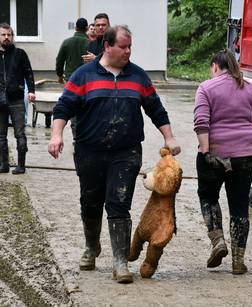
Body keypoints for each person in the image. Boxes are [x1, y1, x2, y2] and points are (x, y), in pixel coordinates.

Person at [48, 25, 181, 284]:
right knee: (91, 201)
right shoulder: (83, 75)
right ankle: (91, 246)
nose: (128, 51)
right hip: (90, 151)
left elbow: (156, 108)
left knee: (119, 202)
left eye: (130, 46)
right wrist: (56, 135)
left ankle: (120, 261)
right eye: (123, 46)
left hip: (126, 151)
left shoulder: (138, 77)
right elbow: (63, 107)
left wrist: (169, 137)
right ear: (107, 46)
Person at [194, 49, 252, 274]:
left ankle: (218, 241)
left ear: (215, 67)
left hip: (215, 153)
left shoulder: (206, 88)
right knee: (239, 205)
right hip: (246, 155)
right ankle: (238, 261)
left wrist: (205, 149)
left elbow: (201, 122)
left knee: (208, 196)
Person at [0, 23, 36, 174]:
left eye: (9, 35)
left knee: (19, 133)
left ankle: (21, 165)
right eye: (3, 35)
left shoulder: (20, 54)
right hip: (0, 101)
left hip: (17, 100)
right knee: (1, 135)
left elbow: (29, 73)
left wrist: (31, 90)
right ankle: (4, 164)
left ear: (13, 37)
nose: (7, 38)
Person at [56, 18, 90, 132]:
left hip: (70, 79)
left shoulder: (67, 42)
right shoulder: (90, 43)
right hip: (87, 81)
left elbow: (59, 60)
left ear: (75, 28)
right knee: (86, 107)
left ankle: (76, 136)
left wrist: (60, 75)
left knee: (72, 105)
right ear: (86, 29)